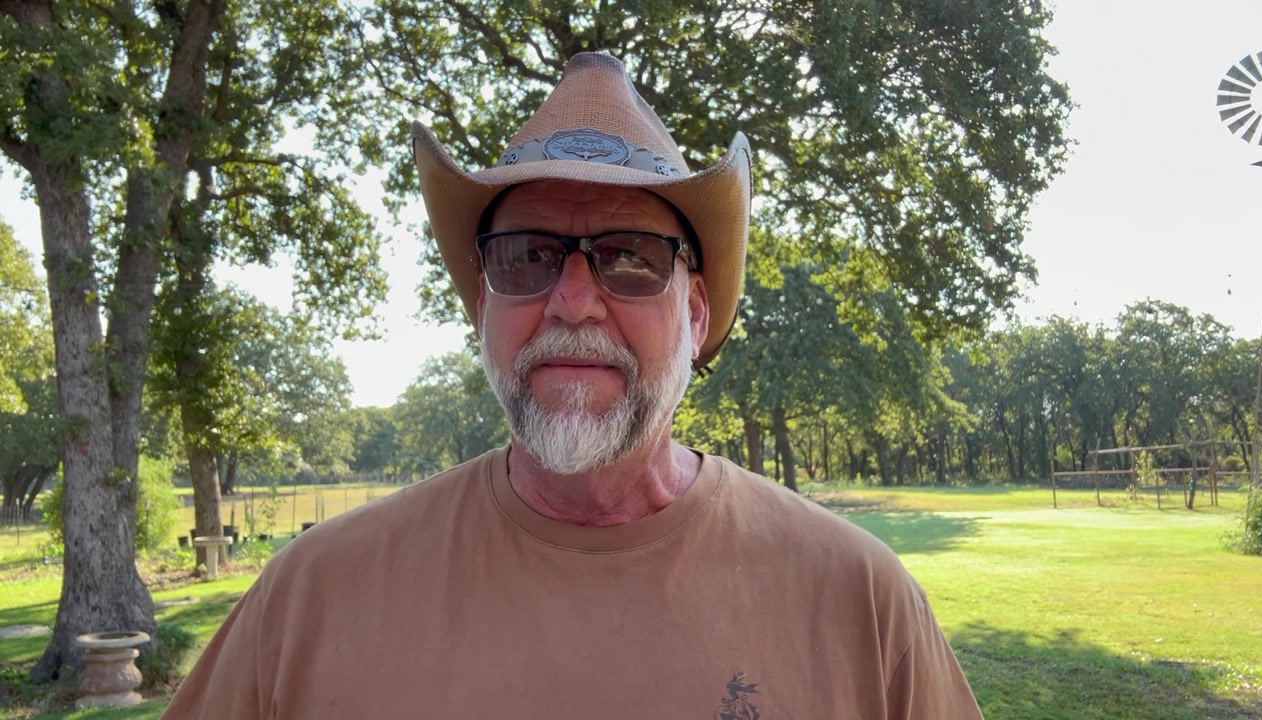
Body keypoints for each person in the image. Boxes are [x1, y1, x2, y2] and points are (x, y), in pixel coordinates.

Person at [162, 51, 983, 719]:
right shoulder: (312, 596)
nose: (574, 301)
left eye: (631, 257)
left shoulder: (859, 602)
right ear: (484, 307)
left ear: (695, 312)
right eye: (528, 257)